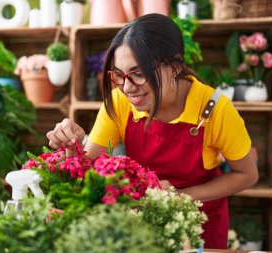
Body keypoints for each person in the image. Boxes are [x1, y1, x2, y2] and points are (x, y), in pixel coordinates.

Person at [46, 13, 258, 249]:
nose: (127, 87)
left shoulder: (214, 109)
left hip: (201, 220)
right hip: (143, 218)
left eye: (138, 73)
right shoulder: (120, 102)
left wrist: (178, 197)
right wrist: (71, 146)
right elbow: (85, 167)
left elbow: (247, 175)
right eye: (119, 75)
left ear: (175, 68)